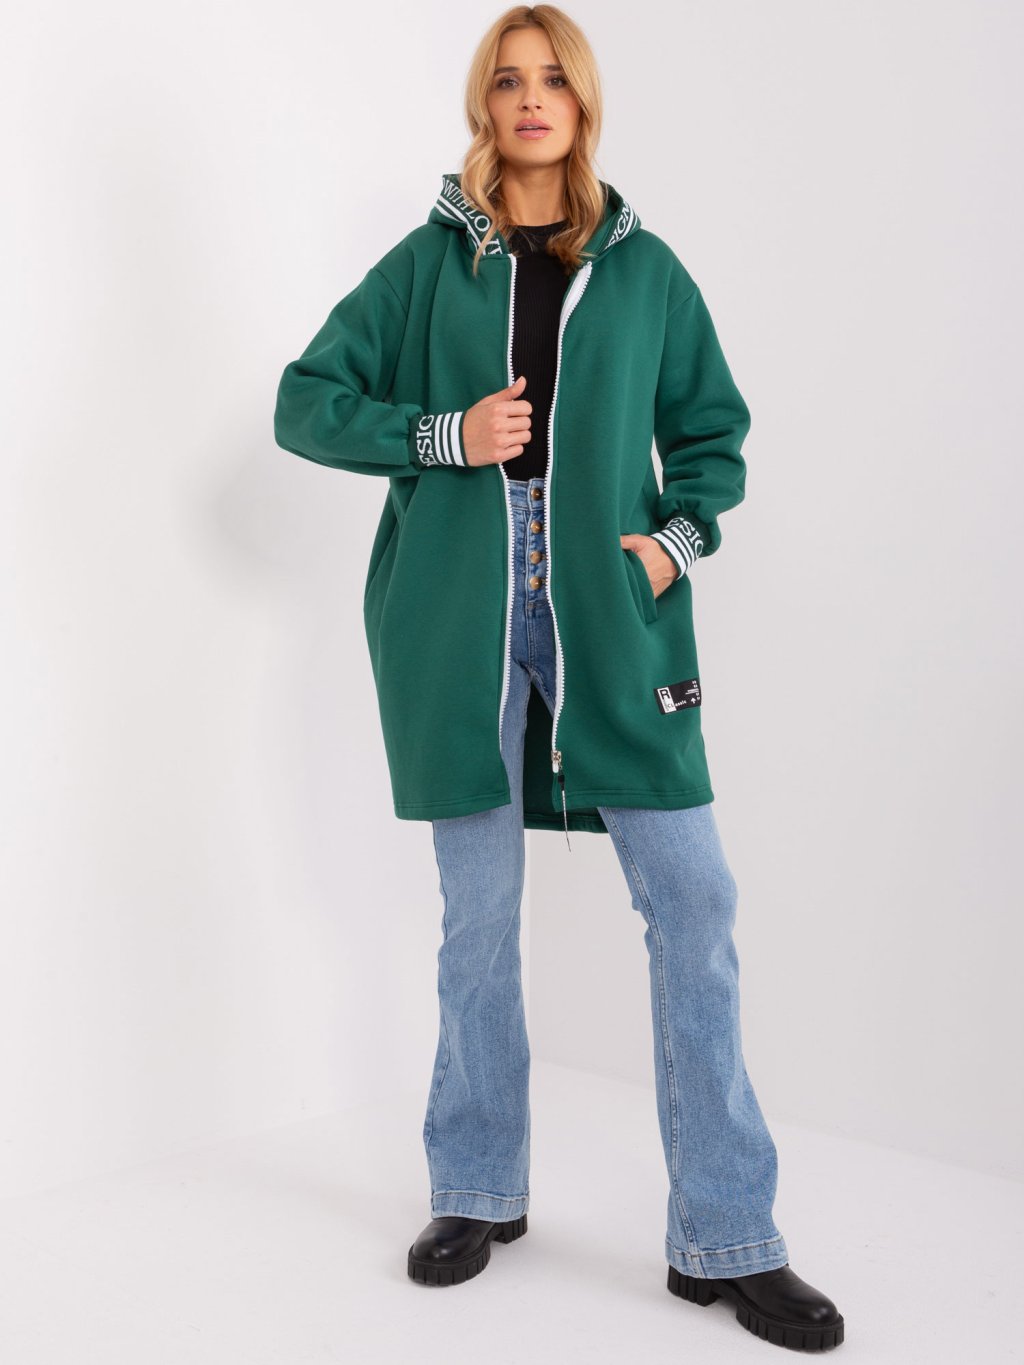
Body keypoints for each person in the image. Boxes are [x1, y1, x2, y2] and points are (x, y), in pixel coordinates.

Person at [274, 4, 845, 1352]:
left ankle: (728, 1236)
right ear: (486, 105)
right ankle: (476, 1188)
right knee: (477, 917)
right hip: (458, 615)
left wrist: (666, 547)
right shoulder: (427, 265)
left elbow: (714, 437)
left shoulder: (644, 271)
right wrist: (447, 434)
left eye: (554, 80)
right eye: (508, 80)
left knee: (693, 900)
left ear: (584, 104)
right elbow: (306, 400)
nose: (532, 100)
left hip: (608, 605)